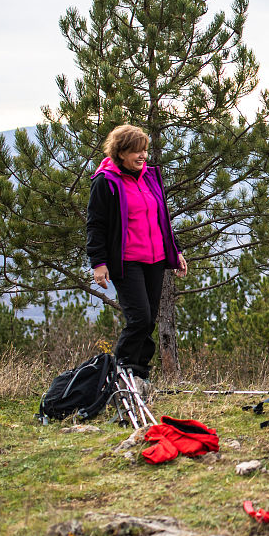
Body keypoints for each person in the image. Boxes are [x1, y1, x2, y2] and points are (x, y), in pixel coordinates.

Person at [87, 125, 187, 387]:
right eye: (136, 151)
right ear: (120, 153)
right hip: (127, 261)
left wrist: (175, 251)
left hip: (154, 260)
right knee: (139, 318)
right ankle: (119, 374)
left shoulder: (150, 177)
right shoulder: (105, 181)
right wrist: (98, 263)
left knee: (148, 319)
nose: (142, 156)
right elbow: (95, 225)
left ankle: (139, 374)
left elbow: (161, 217)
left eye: (144, 150)